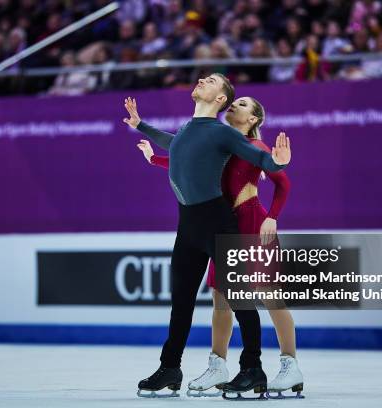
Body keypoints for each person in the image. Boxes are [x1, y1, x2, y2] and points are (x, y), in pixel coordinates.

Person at [122, 73, 291, 399]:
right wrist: (140, 125)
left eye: (211, 80)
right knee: (181, 302)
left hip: (217, 221)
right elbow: (173, 143)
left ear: (220, 99)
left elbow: (256, 156)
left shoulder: (222, 133)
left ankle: (252, 369)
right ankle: (170, 368)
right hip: (188, 225)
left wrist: (275, 161)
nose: (202, 79)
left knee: (239, 298)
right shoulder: (187, 130)